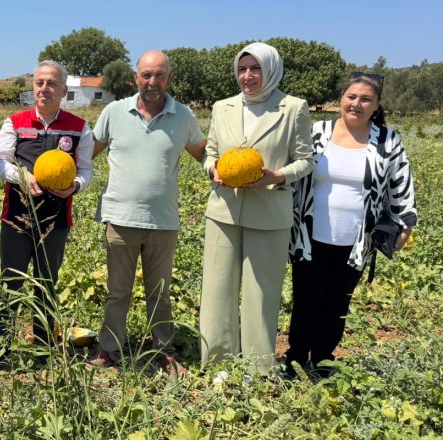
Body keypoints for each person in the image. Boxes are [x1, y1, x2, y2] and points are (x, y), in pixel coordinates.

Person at [286, 73, 417, 378]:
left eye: (365, 99)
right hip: (309, 235)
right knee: (306, 299)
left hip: (357, 239)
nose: (356, 104)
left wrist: (404, 221)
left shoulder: (387, 140)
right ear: (341, 99)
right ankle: (295, 358)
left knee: (336, 303)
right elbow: (292, 170)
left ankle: (322, 360)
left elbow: (401, 183)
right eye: (351, 97)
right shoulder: (316, 132)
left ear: (376, 105)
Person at [199, 42, 314, 374]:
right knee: (216, 289)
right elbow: (210, 152)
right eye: (242, 69)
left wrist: (276, 176)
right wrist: (212, 169)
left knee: (261, 294)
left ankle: (257, 368)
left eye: (255, 69)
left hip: (270, 212)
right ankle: (217, 363)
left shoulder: (293, 108)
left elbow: (306, 161)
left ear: (271, 70)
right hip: (223, 210)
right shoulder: (223, 107)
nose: (247, 76)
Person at [89, 51, 206, 374]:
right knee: (118, 292)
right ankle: (109, 348)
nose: (152, 82)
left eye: (159, 75)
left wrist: (226, 169)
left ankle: (163, 350)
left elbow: (203, 155)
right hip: (120, 218)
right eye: (146, 75)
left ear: (169, 78)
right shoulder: (114, 112)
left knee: (160, 293)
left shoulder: (182, 116)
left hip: (163, 220)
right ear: (135, 77)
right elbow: (88, 153)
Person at [0, 60, 94, 366]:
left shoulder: (79, 128)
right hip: (16, 219)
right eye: (39, 83)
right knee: (10, 283)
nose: (44, 89)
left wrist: (74, 185)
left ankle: (43, 347)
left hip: (55, 222)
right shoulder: (15, 122)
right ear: (33, 87)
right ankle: (3, 344)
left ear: (63, 90)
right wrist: (21, 175)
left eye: (51, 84)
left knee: (47, 283)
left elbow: (86, 170)